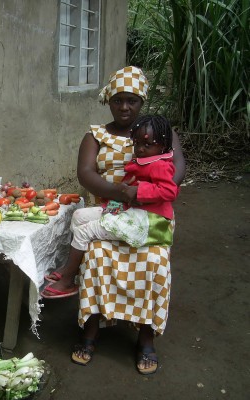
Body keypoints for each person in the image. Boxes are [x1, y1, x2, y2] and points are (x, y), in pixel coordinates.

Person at [41, 66, 186, 375]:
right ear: (108, 100)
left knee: (155, 261)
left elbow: (177, 173)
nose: (124, 107)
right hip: (114, 211)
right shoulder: (95, 135)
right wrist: (123, 193)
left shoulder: (161, 130)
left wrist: (141, 195)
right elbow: (86, 175)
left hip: (150, 218)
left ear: (142, 101)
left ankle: (146, 337)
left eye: (132, 101)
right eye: (118, 100)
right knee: (94, 254)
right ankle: (91, 329)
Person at [41, 114, 179, 300]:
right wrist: (111, 207)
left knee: (84, 232)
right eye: (136, 143)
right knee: (79, 216)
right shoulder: (143, 160)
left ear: (161, 145)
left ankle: (68, 280)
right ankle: (74, 266)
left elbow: (169, 191)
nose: (139, 149)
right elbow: (127, 191)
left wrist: (138, 192)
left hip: (150, 222)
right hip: (130, 211)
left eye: (147, 145)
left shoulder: (159, 165)